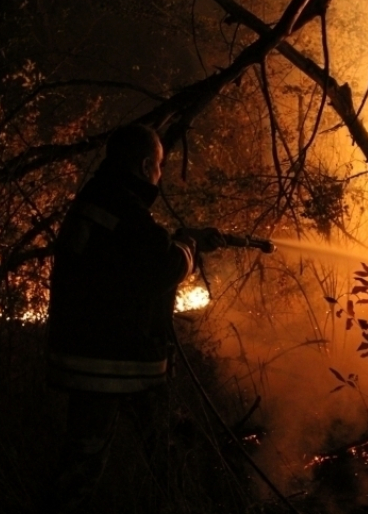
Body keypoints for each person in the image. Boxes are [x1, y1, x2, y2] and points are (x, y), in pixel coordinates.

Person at [44, 123, 224, 513]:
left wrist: (180, 238)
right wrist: (189, 244)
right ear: (145, 166)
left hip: (90, 359)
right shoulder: (122, 210)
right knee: (163, 451)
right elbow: (162, 266)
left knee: (81, 464)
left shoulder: (99, 201)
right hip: (116, 363)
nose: (159, 175)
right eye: (159, 166)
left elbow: (136, 258)